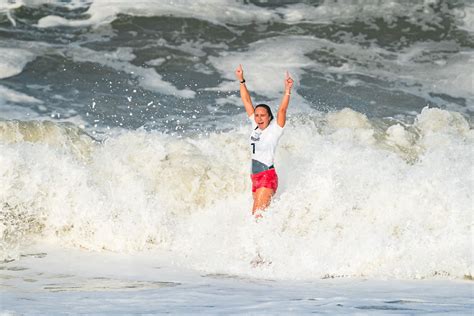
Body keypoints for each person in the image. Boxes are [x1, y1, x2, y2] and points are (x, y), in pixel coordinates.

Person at [235, 64, 293, 217]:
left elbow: (282, 110)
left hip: (267, 177)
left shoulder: (275, 130)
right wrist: (241, 80)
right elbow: (246, 101)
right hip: (255, 178)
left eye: (263, 115)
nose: (259, 118)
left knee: (257, 216)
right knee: (260, 217)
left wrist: (287, 90)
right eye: (257, 115)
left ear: (269, 117)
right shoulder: (255, 125)